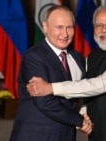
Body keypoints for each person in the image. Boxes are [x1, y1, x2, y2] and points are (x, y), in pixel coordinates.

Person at [27, 5, 106, 141]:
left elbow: (101, 84)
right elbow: (88, 92)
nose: (104, 30)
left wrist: (51, 88)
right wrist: (84, 113)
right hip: (102, 133)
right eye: (98, 25)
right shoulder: (91, 57)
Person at [9, 5, 93, 141]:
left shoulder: (78, 59)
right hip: (35, 135)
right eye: (59, 27)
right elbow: (45, 102)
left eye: (69, 27)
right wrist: (80, 120)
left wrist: (84, 112)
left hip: (66, 135)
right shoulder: (34, 57)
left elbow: (83, 91)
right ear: (45, 27)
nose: (65, 34)